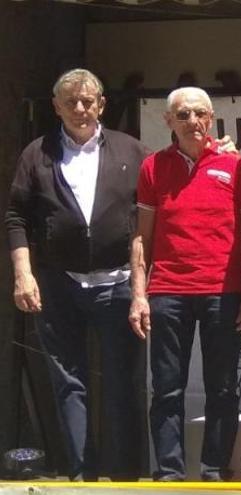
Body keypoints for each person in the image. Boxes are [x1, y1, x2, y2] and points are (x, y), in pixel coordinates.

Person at [5, 68, 147, 481]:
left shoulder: (133, 150)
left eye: (88, 101)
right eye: (71, 102)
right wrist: (22, 274)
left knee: (122, 383)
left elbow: (154, 212)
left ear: (101, 104)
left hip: (119, 284)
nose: (80, 109)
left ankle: (123, 479)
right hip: (58, 283)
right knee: (69, 382)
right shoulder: (38, 153)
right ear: (57, 107)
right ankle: (80, 477)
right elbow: (16, 215)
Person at [128, 87, 241, 481]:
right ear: (168, 121)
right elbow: (143, 237)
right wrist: (139, 294)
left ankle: (214, 473)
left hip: (225, 292)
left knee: (222, 389)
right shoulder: (153, 167)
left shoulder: (234, 166)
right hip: (168, 292)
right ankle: (169, 474)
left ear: (212, 119)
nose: (194, 122)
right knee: (167, 390)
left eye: (201, 114)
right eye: (184, 115)